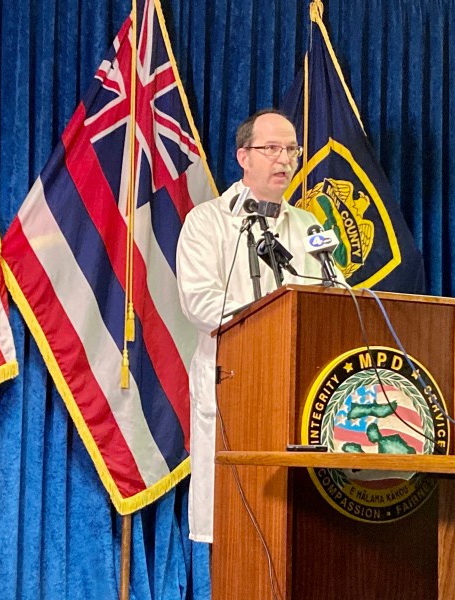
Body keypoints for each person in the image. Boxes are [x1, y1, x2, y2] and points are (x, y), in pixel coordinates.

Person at [176, 109, 338, 542]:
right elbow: (200, 304)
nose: (284, 159)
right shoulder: (206, 223)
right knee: (238, 531)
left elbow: (336, 301)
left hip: (300, 396)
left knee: (296, 531)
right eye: (272, 149)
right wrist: (274, 315)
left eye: (291, 149)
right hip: (236, 390)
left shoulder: (308, 226)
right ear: (243, 156)